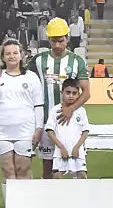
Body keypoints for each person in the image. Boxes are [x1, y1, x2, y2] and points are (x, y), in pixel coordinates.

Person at [0, 39, 44, 208]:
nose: (12, 56)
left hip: (25, 131)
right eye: (8, 53)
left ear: (22, 55)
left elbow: (38, 105)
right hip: (1, 132)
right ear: (2, 57)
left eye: (15, 53)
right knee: (8, 171)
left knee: (23, 170)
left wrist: (38, 128)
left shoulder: (31, 77)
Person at [31, 17, 90, 180]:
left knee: (78, 167)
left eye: (61, 41)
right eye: (53, 41)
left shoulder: (77, 61)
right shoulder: (38, 60)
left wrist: (71, 109)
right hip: (47, 123)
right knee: (48, 168)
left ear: (67, 38)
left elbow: (86, 93)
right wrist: (0, 66)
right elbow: (20, 73)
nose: (57, 45)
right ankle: (49, 197)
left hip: (72, 125)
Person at [44, 78, 91, 179]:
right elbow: (50, 130)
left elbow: (85, 131)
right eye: (68, 92)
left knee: (82, 177)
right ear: (62, 93)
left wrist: (77, 147)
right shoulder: (55, 110)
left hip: (77, 151)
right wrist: (61, 147)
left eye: (74, 93)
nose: (71, 96)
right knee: (57, 177)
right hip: (61, 151)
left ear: (78, 94)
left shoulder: (81, 111)